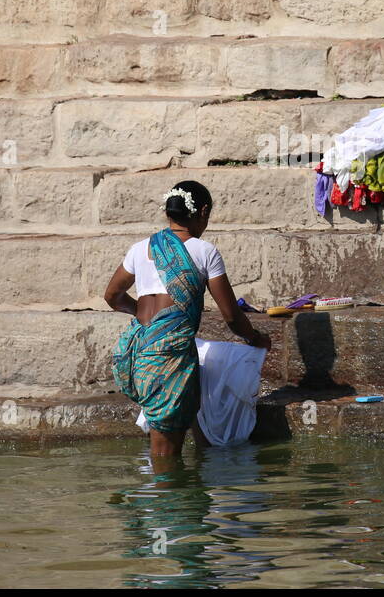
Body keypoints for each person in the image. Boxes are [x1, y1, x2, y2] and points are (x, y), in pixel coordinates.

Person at [103, 180, 271, 463]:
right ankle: (170, 501)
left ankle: (169, 498)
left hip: (141, 351)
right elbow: (231, 315)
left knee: (166, 437)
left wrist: (150, 319)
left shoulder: (140, 248)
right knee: (166, 454)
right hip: (171, 357)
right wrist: (255, 339)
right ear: (202, 211)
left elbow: (112, 296)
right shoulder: (205, 252)